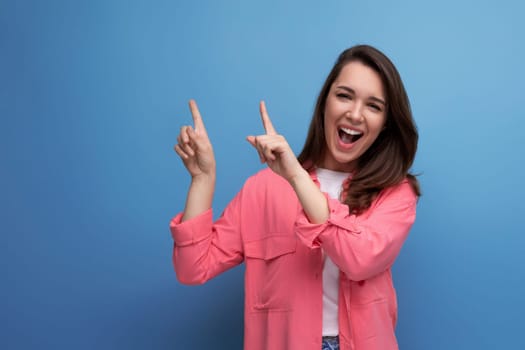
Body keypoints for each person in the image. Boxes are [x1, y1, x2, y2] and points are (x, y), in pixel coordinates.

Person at [171, 44, 420, 350]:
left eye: (374, 106)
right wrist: (202, 179)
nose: (355, 114)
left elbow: (359, 259)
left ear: (385, 125)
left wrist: (296, 177)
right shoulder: (262, 189)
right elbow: (193, 268)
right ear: (325, 103)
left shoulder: (396, 192)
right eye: (344, 95)